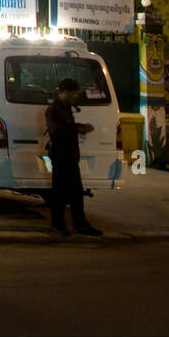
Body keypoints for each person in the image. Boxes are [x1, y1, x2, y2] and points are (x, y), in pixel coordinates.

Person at [46, 77, 102, 237]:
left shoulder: (66, 108)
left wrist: (80, 127)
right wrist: (78, 130)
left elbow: (67, 127)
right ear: (66, 92)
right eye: (74, 94)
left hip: (70, 156)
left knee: (76, 193)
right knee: (59, 193)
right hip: (61, 156)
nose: (76, 97)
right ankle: (58, 225)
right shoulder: (54, 109)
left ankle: (80, 224)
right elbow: (56, 132)